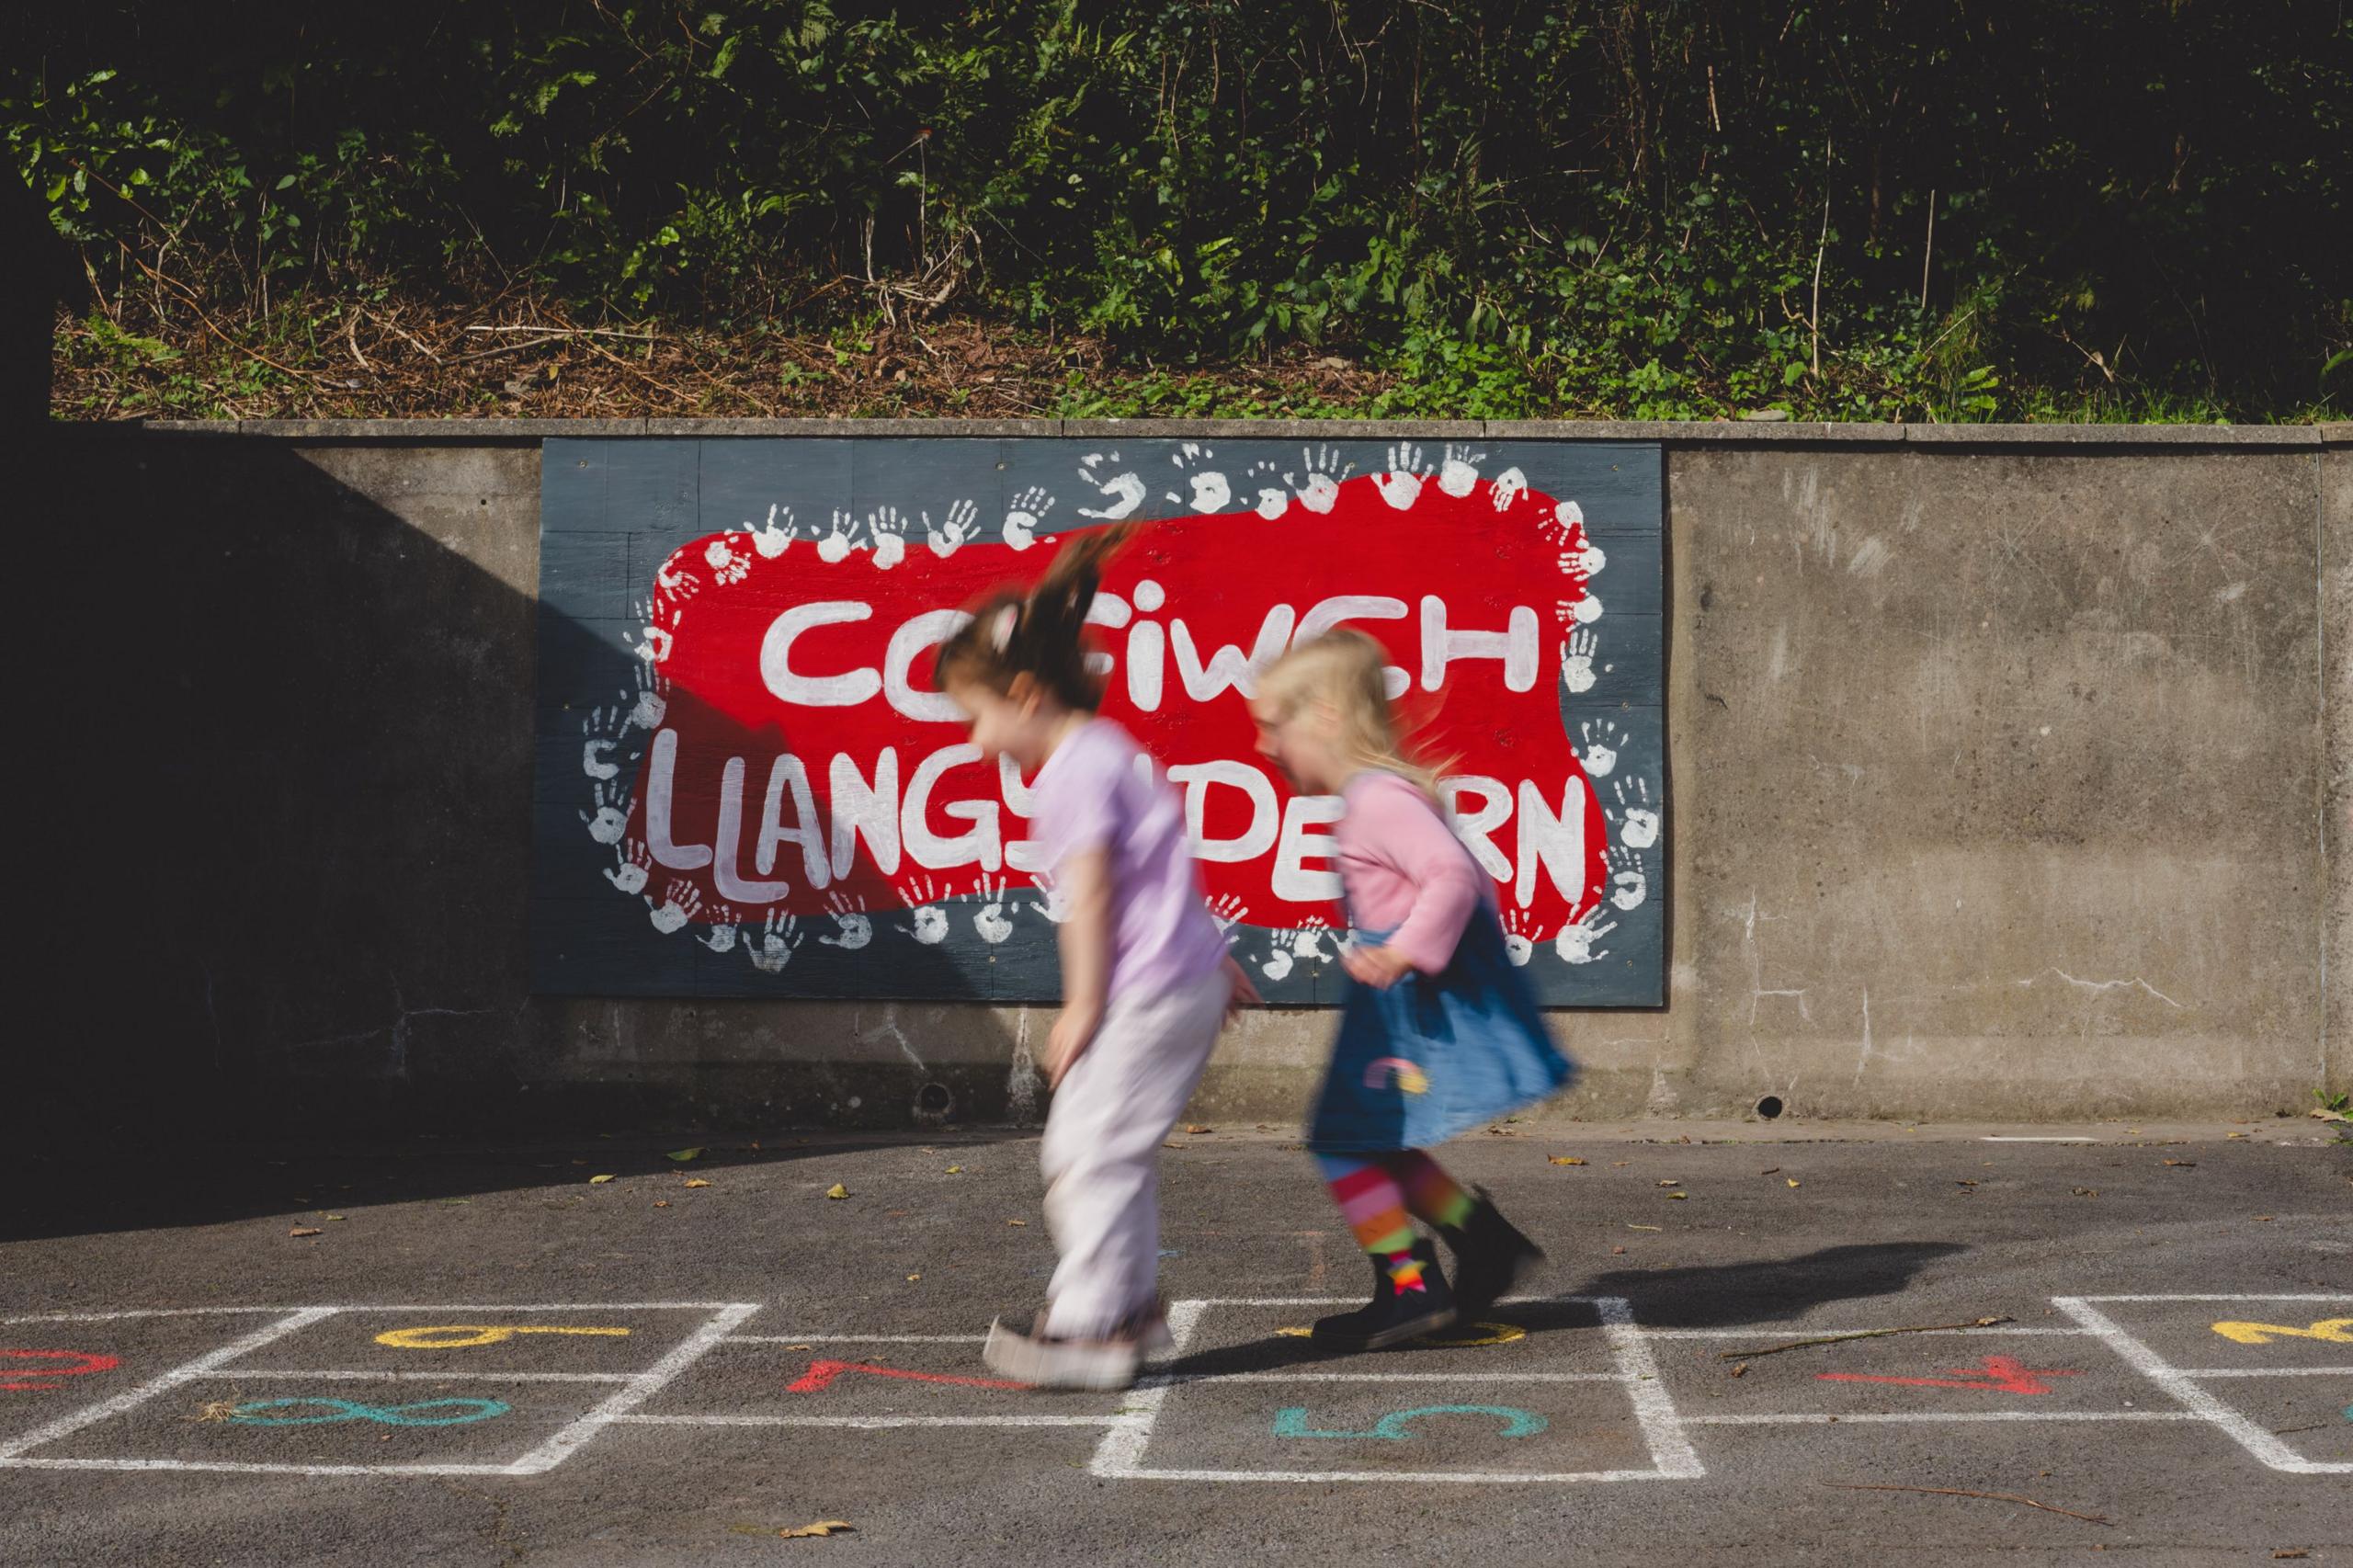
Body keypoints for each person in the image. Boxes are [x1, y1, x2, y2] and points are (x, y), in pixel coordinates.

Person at [936, 526, 1258, 1390]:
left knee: (1085, 1155)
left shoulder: (1074, 772)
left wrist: (1082, 1004)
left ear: (1028, 695)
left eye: (978, 717)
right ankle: (1131, 1302)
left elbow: (1092, 896)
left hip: (1142, 993)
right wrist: (1216, 960)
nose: (976, 742)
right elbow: (1167, 864)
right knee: (1115, 1149)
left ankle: (1090, 1327)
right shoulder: (1115, 753)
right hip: (1179, 980)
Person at [1249, 630, 1574, 1349]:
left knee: (1342, 1140)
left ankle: (1412, 1287)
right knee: (1372, 1138)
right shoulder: (1375, 797)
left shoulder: (1377, 801)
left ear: (1327, 717)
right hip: (1390, 1004)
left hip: (1398, 1008)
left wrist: (1403, 950)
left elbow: (1453, 877)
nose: (1264, 745)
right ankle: (1478, 1237)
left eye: (1274, 725)